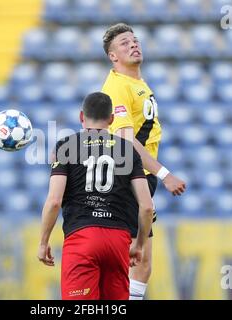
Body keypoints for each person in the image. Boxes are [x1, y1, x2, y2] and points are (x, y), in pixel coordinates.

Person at [38, 92, 153, 300]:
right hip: (118, 241)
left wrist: (43, 241)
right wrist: (140, 245)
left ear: (82, 116)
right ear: (111, 119)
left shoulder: (66, 146)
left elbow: (54, 201)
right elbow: (146, 206)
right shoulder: (128, 150)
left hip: (82, 238)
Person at [101, 23, 187, 300]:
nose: (133, 45)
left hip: (140, 179)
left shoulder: (137, 82)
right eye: (124, 43)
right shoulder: (117, 86)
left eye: (134, 40)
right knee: (126, 263)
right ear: (113, 56)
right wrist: (165, 174)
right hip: (125, 178)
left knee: (142, 264)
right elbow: (126, 140)